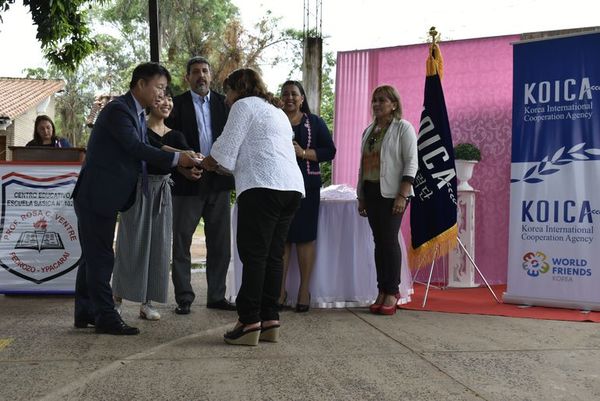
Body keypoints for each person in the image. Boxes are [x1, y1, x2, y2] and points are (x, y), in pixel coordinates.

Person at [72, 62, 198, 335]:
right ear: (140, 84)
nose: (162, 95)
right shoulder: (119, 110)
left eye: (165, 90)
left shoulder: (136, 113)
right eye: (159, 87)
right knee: (102, 257)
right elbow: (135, 147)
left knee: (92, 256)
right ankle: (105, 316)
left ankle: (85, 311)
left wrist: (183, 156)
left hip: (103, 196)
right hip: (97, 195)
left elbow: (151, 143)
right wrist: (178, 159)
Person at [201, 68, 304, 346]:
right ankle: (270, 319)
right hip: (291, 188)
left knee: (254, 255)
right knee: (272, 256)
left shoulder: (243, 106)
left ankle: (248, 322)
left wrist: (205, 162)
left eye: (228, 92)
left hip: (262, 187)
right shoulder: (276, 111)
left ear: (239, 89)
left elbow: (225, 150)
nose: (225, 99)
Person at [112, 87, 197, 321]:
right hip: (139, 188)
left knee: (158, 247)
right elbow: (156, 151)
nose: (166, 103)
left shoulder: (176, 135)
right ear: (150, 102)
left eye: (169, 99)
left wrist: (190, 168)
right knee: (130, 245)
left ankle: (146, 303)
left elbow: (180, 165)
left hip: (163, 191)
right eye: (160, 98)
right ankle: (116, 299)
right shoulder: (139, 129)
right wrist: (185, 155)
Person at [165, 56, 235, 314]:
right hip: (187, 182)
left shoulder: (224, 103)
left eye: (205, 71)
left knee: (219, 244)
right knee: (181, 242)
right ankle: (184, 297)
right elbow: (164, 138)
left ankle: (216, 296)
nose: (201, 76)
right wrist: (180, 167)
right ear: (188, 77)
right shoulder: (177, 105)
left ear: (211, 75)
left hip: (219, 181)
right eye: (195, 72)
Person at [356, 85, 417, 316]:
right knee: (379, 242)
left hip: (393, 193)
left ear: (394, 104)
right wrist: (360, 195)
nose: (377, 104)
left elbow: (411, 162)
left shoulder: (403, 128)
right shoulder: (369, 131)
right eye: (375, 100)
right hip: (371, 192)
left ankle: (392, 291)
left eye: (382, 100)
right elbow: (363, 167)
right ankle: (381, 290)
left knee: (389, 240)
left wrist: (403, 194)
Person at [278, 80, 336, 312]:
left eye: (294, 94)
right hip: (279, 186)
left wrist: (302, 153)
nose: (289, 98)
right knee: (281, 240)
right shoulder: (274, 119)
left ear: (302, 98)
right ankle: (279, 292)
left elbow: (330, 151)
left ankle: (304, 291)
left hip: (306, 187)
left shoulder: (315, 122)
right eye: (285, 94)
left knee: (304, 238)